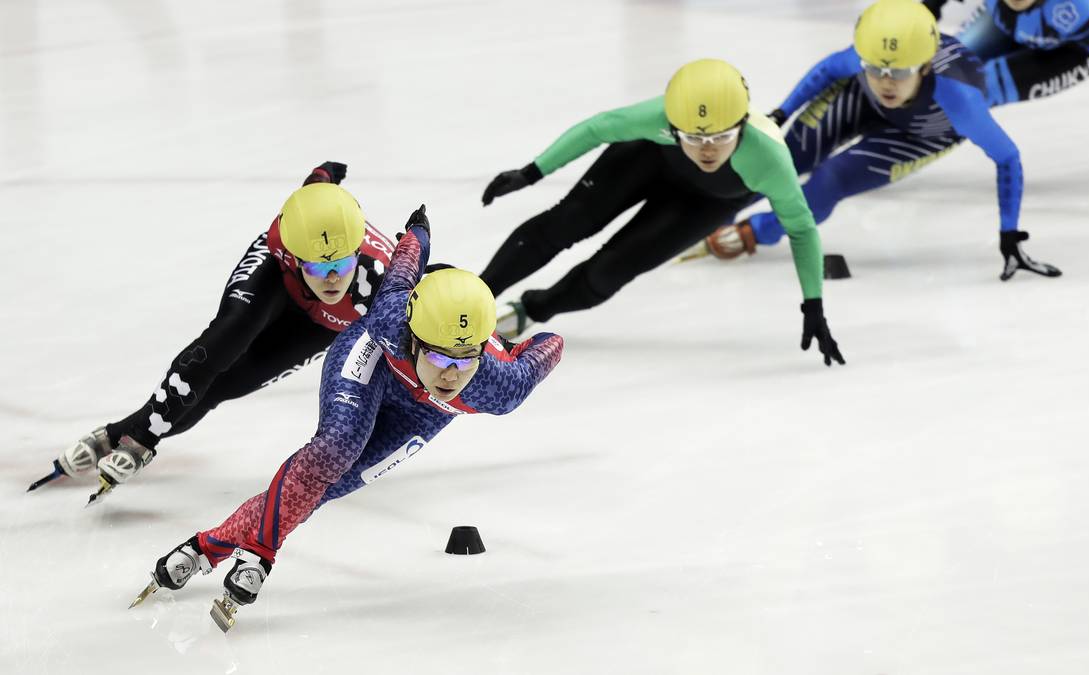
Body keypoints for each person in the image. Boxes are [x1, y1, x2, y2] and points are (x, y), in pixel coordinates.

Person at [128, 206, 564, 631]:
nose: (450, 374)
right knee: (335, 448)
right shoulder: (391, 320)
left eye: (464, 360)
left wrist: (504, 347)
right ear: (413, 337)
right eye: (436, 354)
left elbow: (552, 342)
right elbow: (406, 263)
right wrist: (419, 231)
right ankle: (260, 550)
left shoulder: (498, 385)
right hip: (373, 363)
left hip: (423, 413)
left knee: (326, 488)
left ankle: (208, 545)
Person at [27, 163, 396, 505]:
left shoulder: (382, 282)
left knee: (227, 385)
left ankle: (118, 432)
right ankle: (142, 438)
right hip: (276, 280)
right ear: (297, 256)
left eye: (342, 263)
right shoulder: (286, 239)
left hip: (318, 325)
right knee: (225, 339)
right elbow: (315, 189)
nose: (332, 278)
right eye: (319, 266)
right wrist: (324, 173)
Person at [478, 58, 844, 366]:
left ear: (743, 125)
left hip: (707, 202)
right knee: (567, 221)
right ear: (672, 125)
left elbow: (802, 229)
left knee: (610, 271)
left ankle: (534, 309)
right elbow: (596, 129)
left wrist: (813, 304)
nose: (707, 150)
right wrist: (532, 172)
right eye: (695, 138)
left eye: (720, 138)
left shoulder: (769, 157)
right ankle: (475, 296)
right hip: (650, 158)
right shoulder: (658, 118)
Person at [691, 0, 1061, 282]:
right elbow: (826, 70)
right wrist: (782, 113)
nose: (886, 82)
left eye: (899, 73)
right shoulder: (868, 61)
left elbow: (1007, 157)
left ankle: (755, 234)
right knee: (787, 158)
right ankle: (709, 212)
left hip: (924, 133)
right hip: (859, 101)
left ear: (926, 66)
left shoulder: (960, 100)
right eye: (876, 69)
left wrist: (1009, 234)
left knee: (831, 179)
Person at [924, 0, 1089, 206]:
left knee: (977, 93)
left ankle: (913, 145)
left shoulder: (1081, 11)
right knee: (944, 68)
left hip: (1069, 51)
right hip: (1007, 23)